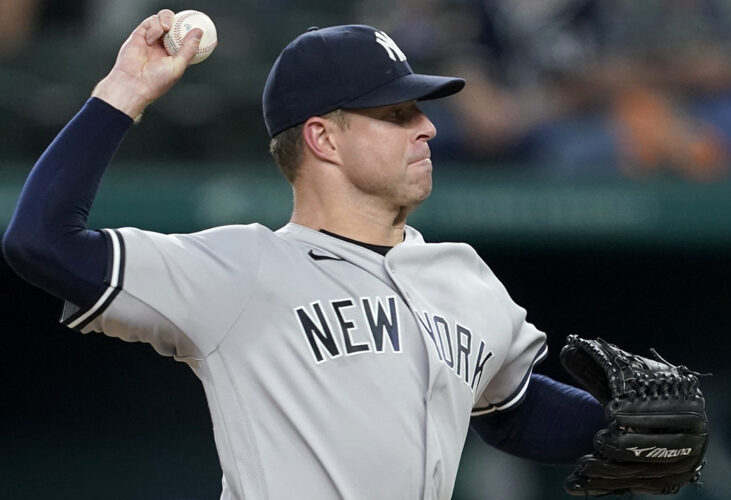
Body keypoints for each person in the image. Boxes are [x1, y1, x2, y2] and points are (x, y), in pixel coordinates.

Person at [2, 10, 605, 499]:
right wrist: (124, 91)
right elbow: (42, 239)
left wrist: (616, 428)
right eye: (396, 114)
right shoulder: (239, 271)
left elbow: (512, 407)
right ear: (322, 137)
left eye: (420, 110)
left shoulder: (463, 276)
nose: (427, 128)